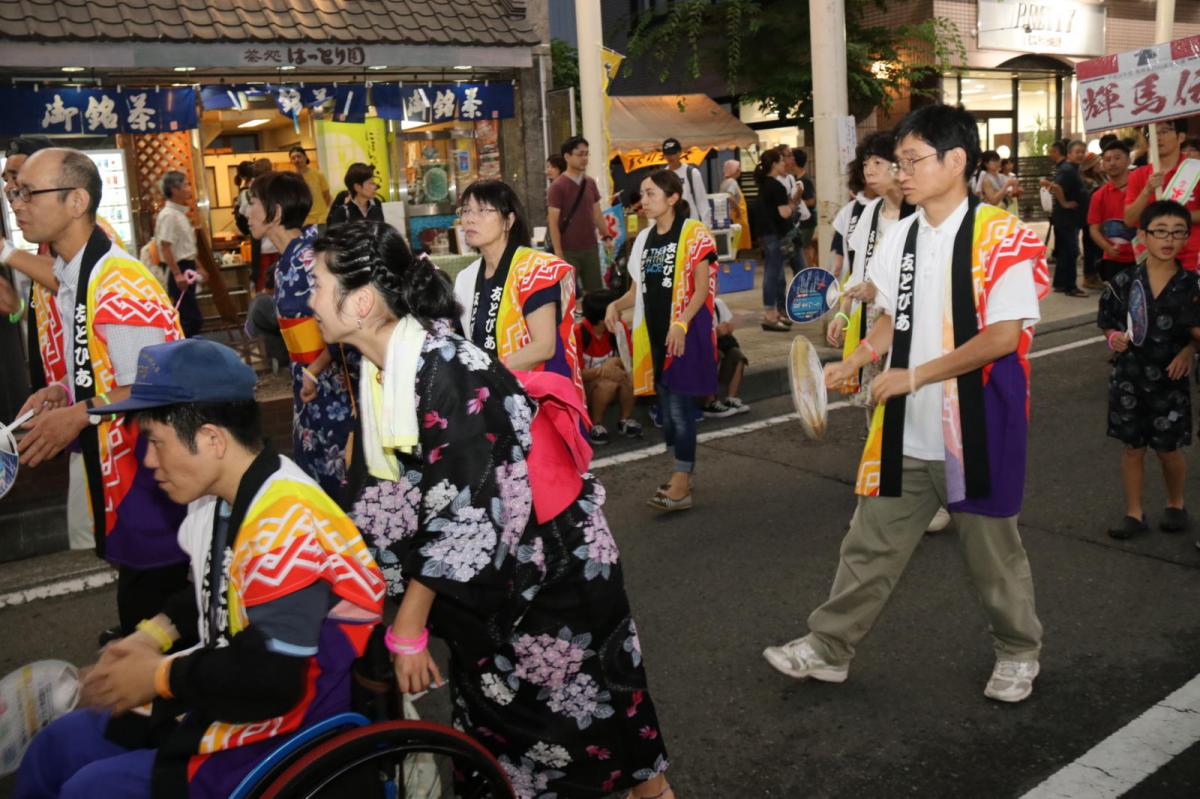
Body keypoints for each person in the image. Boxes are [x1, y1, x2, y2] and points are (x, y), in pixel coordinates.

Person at [306, 221, 674, 799]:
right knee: (508, 754)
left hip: (555, 581)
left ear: (360, 302)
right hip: (497, 594)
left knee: (614, 747)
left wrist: (407, 626)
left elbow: (469, 516)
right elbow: (384, 498)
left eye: (318, 284)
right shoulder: (386, 365)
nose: (309, 299)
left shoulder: (447, 370)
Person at [763, 104, 1049, 704]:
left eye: (914, 160)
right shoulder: (904, 233)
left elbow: (1001, 338)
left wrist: (913, 376)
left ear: (957, 160)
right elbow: (896, 316)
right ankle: (829, 648)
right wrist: (859, 356)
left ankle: (1019, 651)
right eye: (900, 162)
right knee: (869, 544)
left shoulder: (1003, 236)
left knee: (992, 555)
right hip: (907, 426)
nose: (903, 172)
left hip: (976, 426)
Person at [14, 338, 385, 798]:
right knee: (57, 747)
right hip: (231, 691)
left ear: (212, 439)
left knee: (89, 788)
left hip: (280, 732)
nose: (148, 462)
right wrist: (153, 635)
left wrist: (155, 676)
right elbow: (216, 589)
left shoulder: (288, 523)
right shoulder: (223, 498)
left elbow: (274, 678)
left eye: (154, 442)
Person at [12, 148, 189, 637]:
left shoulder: (118, 281)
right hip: (124, 463)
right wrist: (61, 390)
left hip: (149, 468)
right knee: (136, 577)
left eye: (29, 192)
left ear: (76, 201)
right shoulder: (76, 273)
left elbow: (152, 382)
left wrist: (78, 413)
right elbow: (109, 367)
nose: (17, 203)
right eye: (14, 192)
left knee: (155, 585)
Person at [606, 169, 718, 512]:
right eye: (642, 193)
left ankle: (681, 484)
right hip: (654, 337)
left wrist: (681, 324)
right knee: (667, 414)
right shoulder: (643, 240)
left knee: (680, 411)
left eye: (652, 193)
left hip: (681, 334)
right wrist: (614, 304)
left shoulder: (694, 234)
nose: (644, 200)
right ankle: (682, 471)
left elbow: (702, 288)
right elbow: (636, 291)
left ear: (673, 198)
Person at [247, 171, 359, 503]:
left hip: (331, 384)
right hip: (308, 381)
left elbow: (347, 325)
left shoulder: (312, 257)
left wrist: (316, 368)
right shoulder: (288, 260)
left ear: (275, 212)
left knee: (340, 480)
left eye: (252, 203)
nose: (245, 212)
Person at [1099, 201, 1200, 540]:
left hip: (1170, 381)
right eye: (1160, 232)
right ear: (1142, 235)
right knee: (1132, 448)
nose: (1168, 239)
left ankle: (1176, 502)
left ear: (1186, 237)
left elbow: (1196, 334)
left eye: (1177, 232)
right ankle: (1134, 513)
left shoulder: (1192, 286)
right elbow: (1108, 322)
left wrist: (1189, 351)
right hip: (1129, 377)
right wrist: (1113, 337)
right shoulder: (1125, 280)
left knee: (1168, 450)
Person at [453, 179, 582, 393]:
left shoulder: (535, 268)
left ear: (508, 221)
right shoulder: (466, 278)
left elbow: (544, 347)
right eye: (465, 210)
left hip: (537, 398)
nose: (470, 219)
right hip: (490, 398)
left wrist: (485, 373)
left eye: (483, 210)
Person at [1125, 120, 1200, 272]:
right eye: (1153, 133)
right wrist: (1147, 191)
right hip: (1152, 261)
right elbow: (1129, 220)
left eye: (1164, 131)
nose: (1158, 137)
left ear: (1181, 137)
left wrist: (1173, 218)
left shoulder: (1195, 170)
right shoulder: (1138, 175)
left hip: (1192, 259)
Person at [576, 288, 643, 444]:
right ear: (602, 320)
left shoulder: (618, 328)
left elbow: (628, 360)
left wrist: (615, 363)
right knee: (607, 385)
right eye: (616, 311)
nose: (619, 314)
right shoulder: (579, 333)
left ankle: (625, 420)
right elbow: (577, 374)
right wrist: (603, 370)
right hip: (585, 385)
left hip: (609, 375)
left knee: (631, 377)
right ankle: (595, 424)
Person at [547, 136, 611, 293]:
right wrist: (558, 252)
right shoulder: (557, 186)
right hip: (568, 251)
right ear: (567, 157)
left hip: (590, 248)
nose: (584, 158)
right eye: (580, 154)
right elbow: (553, 222)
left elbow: (597, 214)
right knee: (568, 296)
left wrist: (607, 236)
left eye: (586, 154)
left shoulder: (590, 183)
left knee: (595, 293)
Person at [154, 170, 205, 338]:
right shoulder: (168, 215)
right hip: (179, 269)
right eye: (185, 185)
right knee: (189, 318)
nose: (189, 189)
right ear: (174, 189)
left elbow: (186, 247)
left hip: (187, 266)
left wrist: (199, 266)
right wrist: (177, 274)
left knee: (191, 316)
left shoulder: (179, 214)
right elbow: (165, 246)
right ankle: (187, 352)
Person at [753, 149, 795, 332]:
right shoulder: (777, 186)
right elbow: (784, 212)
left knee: (775, 274)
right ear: (774, 165)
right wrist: (793, 204)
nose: (784, 163)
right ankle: (770, 315)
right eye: (781, 161)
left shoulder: (763, 185)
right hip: (776, 234)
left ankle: (774, 314)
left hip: (766, 234)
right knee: (772, 273)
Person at [1041, 140, 1086, 296]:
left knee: (1065, 252)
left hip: (1068, 218)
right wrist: (1065, 203)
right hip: (1067, 218)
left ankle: (1060, 283)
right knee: (1071, 251)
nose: (1080, 154)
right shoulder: (1068, 170)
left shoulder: (1072, 168)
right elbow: (1056, 187)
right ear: (1069, 154)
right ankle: (1070, 286)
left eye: (1082, 151)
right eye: (1077, 152)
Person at [1088, 139, 1137, 284]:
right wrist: (1107, 247)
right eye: (1107, 159)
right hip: (1112, 260)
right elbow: (1094, 229)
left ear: (1128, 160)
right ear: (1102, 164)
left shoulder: (1142, 187)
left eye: (1117, 158)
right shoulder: (1098, 195)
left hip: (1143, 257)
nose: (1112, 163)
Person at [705, 282, 750, 417]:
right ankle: (710, 402)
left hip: (720, 344)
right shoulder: (698, 307)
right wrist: (715, 333)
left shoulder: (718, 303)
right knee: (715, 355)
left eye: (716, 284)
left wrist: (728, 329)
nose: (716, 287)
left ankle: (731, 398)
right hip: (707, 347)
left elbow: (727, 326)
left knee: (738, 356)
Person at [663, 137, 711, 227]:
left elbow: (702, 202)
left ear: (680, 153)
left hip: (691, 224)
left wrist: (707, 227)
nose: (670, 157)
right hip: (670, 226)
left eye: (673, 153)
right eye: (667, 154)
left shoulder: (692, 173)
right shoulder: (662, 176)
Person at [326, 162, 384, 227]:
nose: (375, 187)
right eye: (371, 183)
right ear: (357, 187)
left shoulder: (376, 204)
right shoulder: (343, 211)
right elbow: (334, 233)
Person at [289, 144, 332, 228]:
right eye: (293, 158)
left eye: (299, 156)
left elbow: (326, 196)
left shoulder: (317, 174)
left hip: (320, 220)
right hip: (303, 222)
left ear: (305, 157)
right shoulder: (292, 179)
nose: (296, 160)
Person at [719, 158, 752, 252]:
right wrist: (737, 209)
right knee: (736, 242)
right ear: (734, 170)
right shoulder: (732, 182)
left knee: (731, 243)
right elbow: (729, 196)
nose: (740, 170)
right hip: (734, 217)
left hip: (727, 216)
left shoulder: (724, 182)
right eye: (738, 168)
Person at [793, 148, 818, 267]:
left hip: (807, 221)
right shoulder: (796, 179)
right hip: (802, 220)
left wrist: (797, 202)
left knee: (804, 249)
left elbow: (812, 201)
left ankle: (808, 273)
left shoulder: (805, 180)